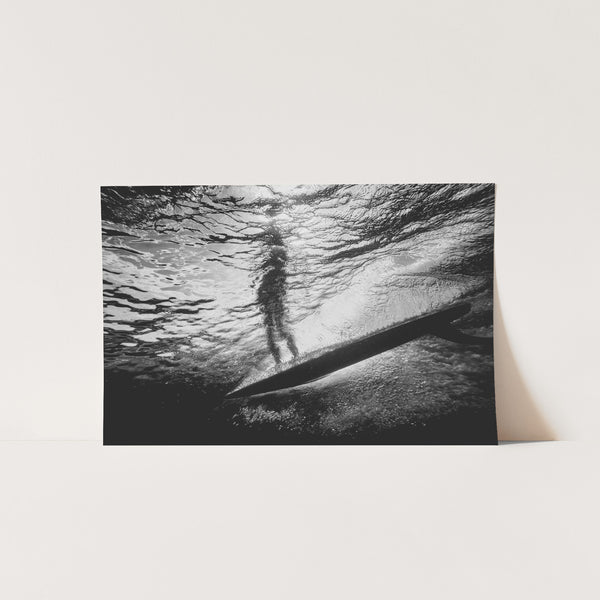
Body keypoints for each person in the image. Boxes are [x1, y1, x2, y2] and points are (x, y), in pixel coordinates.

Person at [256, 219, 299, 364]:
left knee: (277, 328)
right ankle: (280, 361)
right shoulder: (272, 260)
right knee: (271, 329)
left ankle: (294, 356)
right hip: (267, 296)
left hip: (272, 296)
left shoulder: (277, 259)